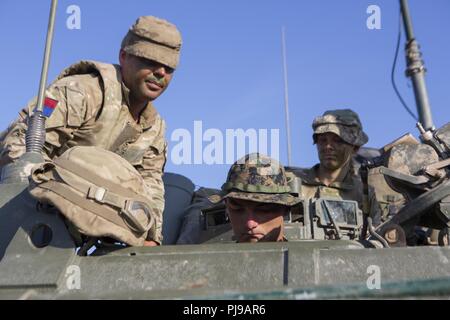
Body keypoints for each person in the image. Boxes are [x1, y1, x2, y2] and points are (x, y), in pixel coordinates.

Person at [0, 16, 182, 246]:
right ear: (124, 56)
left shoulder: (154, 128)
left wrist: (151, 237)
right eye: (150, 62)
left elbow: (151, 188)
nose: (160, 73)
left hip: (83, 230)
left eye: (169, 68)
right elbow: (18, 146)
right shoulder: (81, 92)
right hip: (26, 211)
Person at [287, 109, 380, 232]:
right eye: (322, 140)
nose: (328, 147)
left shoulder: (364, 193)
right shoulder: (293, 185)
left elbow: (377, 238)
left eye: (338, 140)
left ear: (355, 147)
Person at [209, 153, 301, 243]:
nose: (250, 224)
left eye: (264, 209)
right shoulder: (212, 258)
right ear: (227, 209)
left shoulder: (310, 257)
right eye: (237, 209)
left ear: (286, 209)